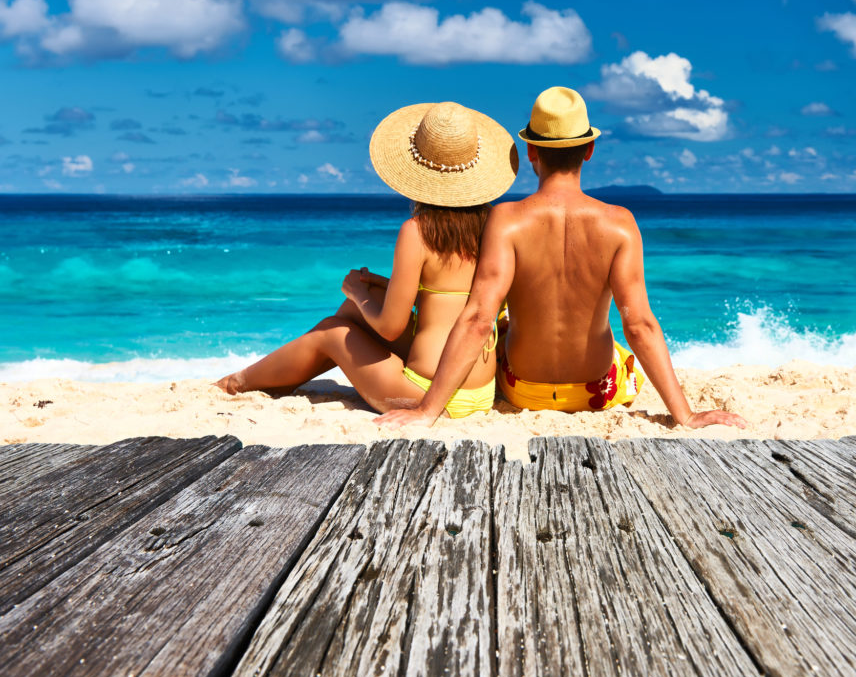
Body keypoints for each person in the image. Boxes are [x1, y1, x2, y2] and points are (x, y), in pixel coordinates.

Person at [378, 86, 747, 430]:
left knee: (503, 323)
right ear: (588, 150)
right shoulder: (621, 224)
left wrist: (428, 411)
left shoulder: (505, 221)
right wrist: (685, 414)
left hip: (523, 390)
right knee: (616, 344)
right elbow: (640, 325)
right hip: (595, 393)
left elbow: (477, 318)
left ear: (531, 152)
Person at [217, 101, 519, 418]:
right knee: (361, 305)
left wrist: (357, 293)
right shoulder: (496, 224)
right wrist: (377, 288)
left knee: (332, 332)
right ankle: (273, 382)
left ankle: (237, 383)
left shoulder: (418, 231)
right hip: (481, 390)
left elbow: (389, 329)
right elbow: (453, 295)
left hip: (427, 391)